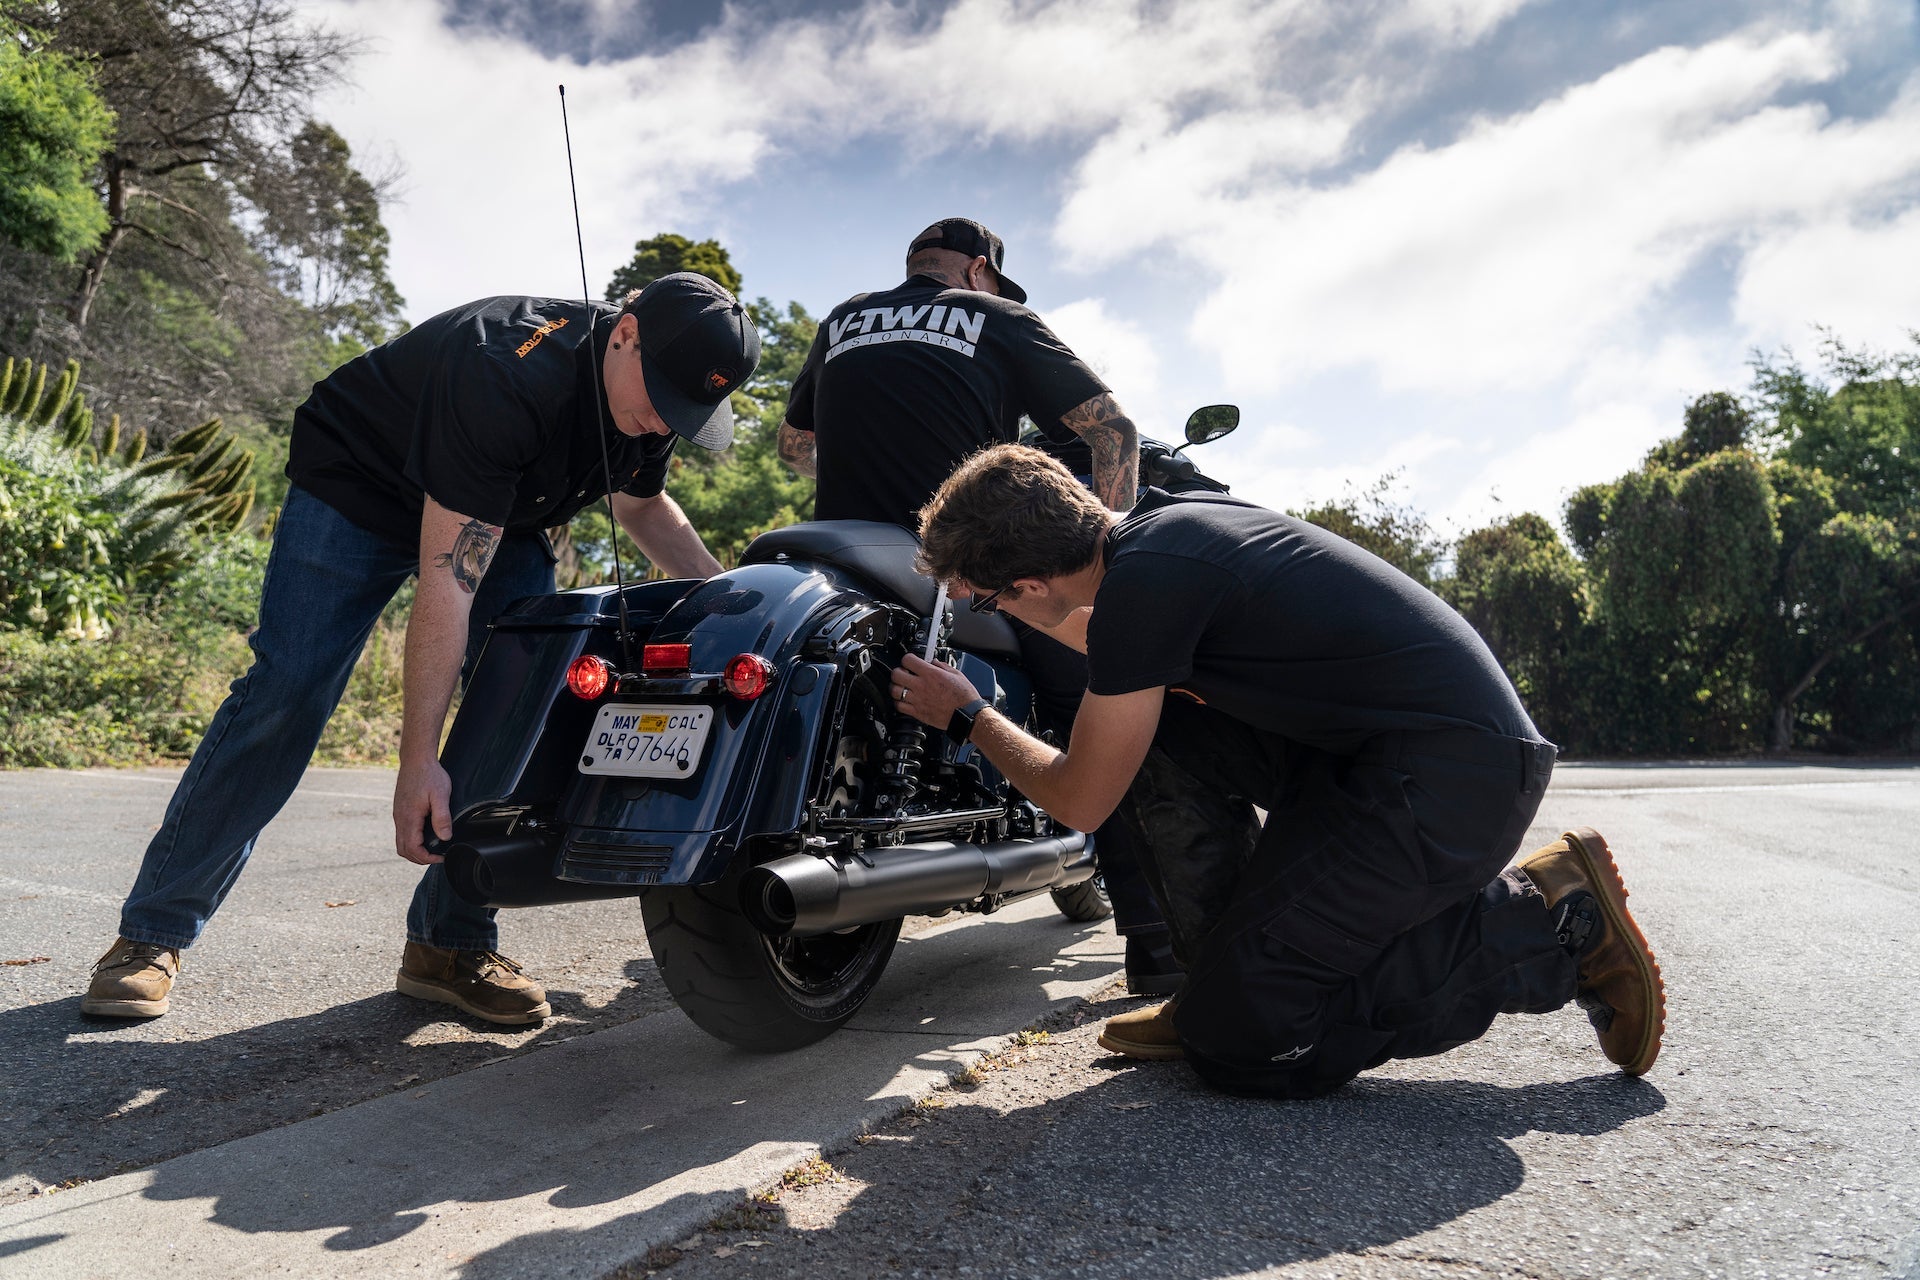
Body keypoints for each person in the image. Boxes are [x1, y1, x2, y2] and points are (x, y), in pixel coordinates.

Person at [81, 274, 760, 1025]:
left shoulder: (656, 401)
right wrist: (417, 760)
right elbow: (449, 585)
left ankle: (449, 944)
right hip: (359, 487)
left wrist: (738, 598)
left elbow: (640, 504)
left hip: (501, 509)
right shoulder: (507, 371)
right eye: (661, 394)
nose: (663, 419)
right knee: (288, 691)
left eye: (685, 409)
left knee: (525, 700)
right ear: (624, 332)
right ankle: (150, 935)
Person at [889, 444, 1666, 1097]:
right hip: (1387, 766)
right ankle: (1215, 982)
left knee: (1245, 1044)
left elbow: (1082, 799)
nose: (987, 612)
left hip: (1445, 787)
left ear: (1028, 585)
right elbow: (1120, 658)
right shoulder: (1163, 536)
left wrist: (968, 715)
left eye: (984, 601)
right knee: (1154, 737)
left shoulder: (1146, 585)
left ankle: (1546, 927)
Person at [773, 217, 1180, 993]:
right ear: (981, 269)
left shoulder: (844, 321)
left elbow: (795, 448)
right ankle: (1160, 951)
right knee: (1112, 697)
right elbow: (1113, 430)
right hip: (958, 559)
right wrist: (1113, 559)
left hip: (843, 553)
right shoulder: (998, 317)